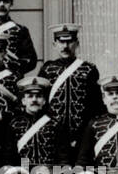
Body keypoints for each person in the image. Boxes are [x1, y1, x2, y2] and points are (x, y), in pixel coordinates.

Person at [36, 23, 102, 157]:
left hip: (82, 136)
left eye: (69, 41)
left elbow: (96, 106)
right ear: (54, 44)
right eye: (61, 42)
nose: (65, 46)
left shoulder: (89, 69)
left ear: (77, 43)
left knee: (80, 173)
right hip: (52, 135)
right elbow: (40, 103)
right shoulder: (47, 69)